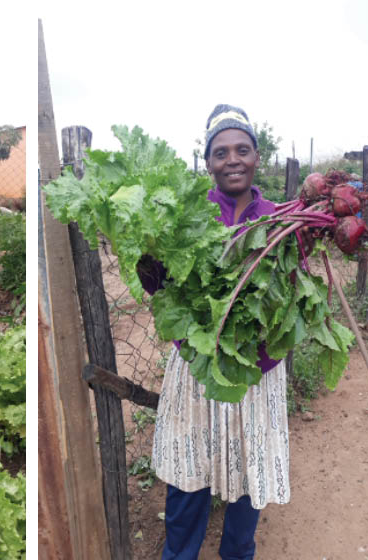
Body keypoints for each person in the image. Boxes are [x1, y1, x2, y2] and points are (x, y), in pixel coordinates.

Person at [137, 104, 298, 560]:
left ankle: (237, 552)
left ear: (256, 156)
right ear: (207, 161)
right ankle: (180, 553)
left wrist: (259, 359)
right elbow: (163, 292)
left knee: (252, 474)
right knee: (189, 474)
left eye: (242, 149)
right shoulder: (188, 213)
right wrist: (148, 264)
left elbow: (291, 301)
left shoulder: (278, 219)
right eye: (221, 151)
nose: (232, 159)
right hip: (197, 365)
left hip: (256, 370)